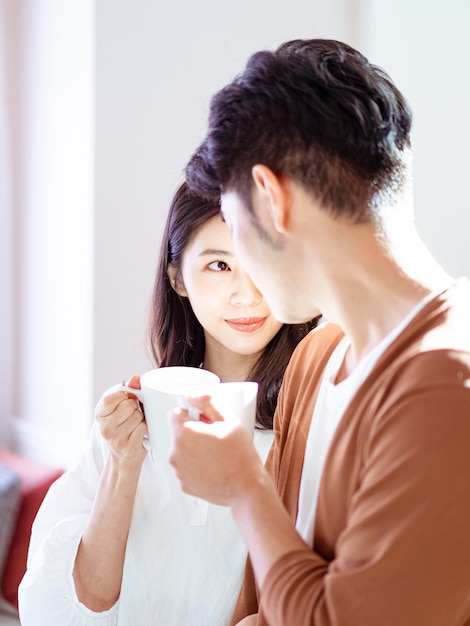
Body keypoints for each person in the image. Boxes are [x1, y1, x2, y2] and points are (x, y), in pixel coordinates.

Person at [168, 39, 470, 626]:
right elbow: (269, 592)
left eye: (234, 223)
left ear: (272, 198)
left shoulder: (446, 385)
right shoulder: (315, 357)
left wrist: (242, 487)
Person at [18, 182, 319, 626]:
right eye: (220, 265)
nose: (247, 293)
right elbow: (83, 605)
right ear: (178, 276)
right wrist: (123, 461)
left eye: (265, 259)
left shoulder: (315, 421)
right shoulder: (129, 415)